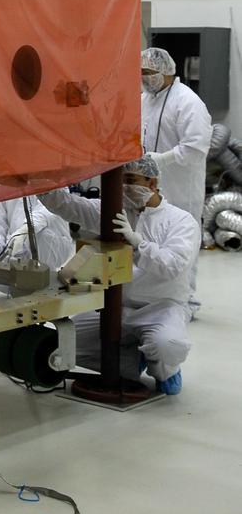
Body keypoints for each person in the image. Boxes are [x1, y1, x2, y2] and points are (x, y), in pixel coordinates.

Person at [40, 154, 199, 395]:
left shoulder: (181, 221)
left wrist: (137, 244)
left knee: (167, 345)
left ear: (153, 184)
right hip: (115, 306)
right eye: (119, 181)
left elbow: (172, 265)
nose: (123, 187)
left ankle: (165, 370)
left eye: (130, 180)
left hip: (159, 308)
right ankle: (131, 362)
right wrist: (40, 181)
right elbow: (68, 205)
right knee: (68, 346)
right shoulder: (114, 211)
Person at [141, 46, 211, 315]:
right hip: (150, 187)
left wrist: (161, 160)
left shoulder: (188, 102)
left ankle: (186, 300)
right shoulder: (145, 100)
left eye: (150, 72)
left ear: (167, 71)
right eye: (142, 73)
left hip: (181, 188)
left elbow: (195, 148)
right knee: (152, 240)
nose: (145, 78)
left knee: (182, 242)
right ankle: (154, 296)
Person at [0, 194, 75, 279]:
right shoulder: (3, 185)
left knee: (40, 236)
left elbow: (47, 211)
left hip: (52, 242)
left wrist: (24, 230)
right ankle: (21, 283)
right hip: (20, 243)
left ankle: (43, 279)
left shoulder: (52, 179)